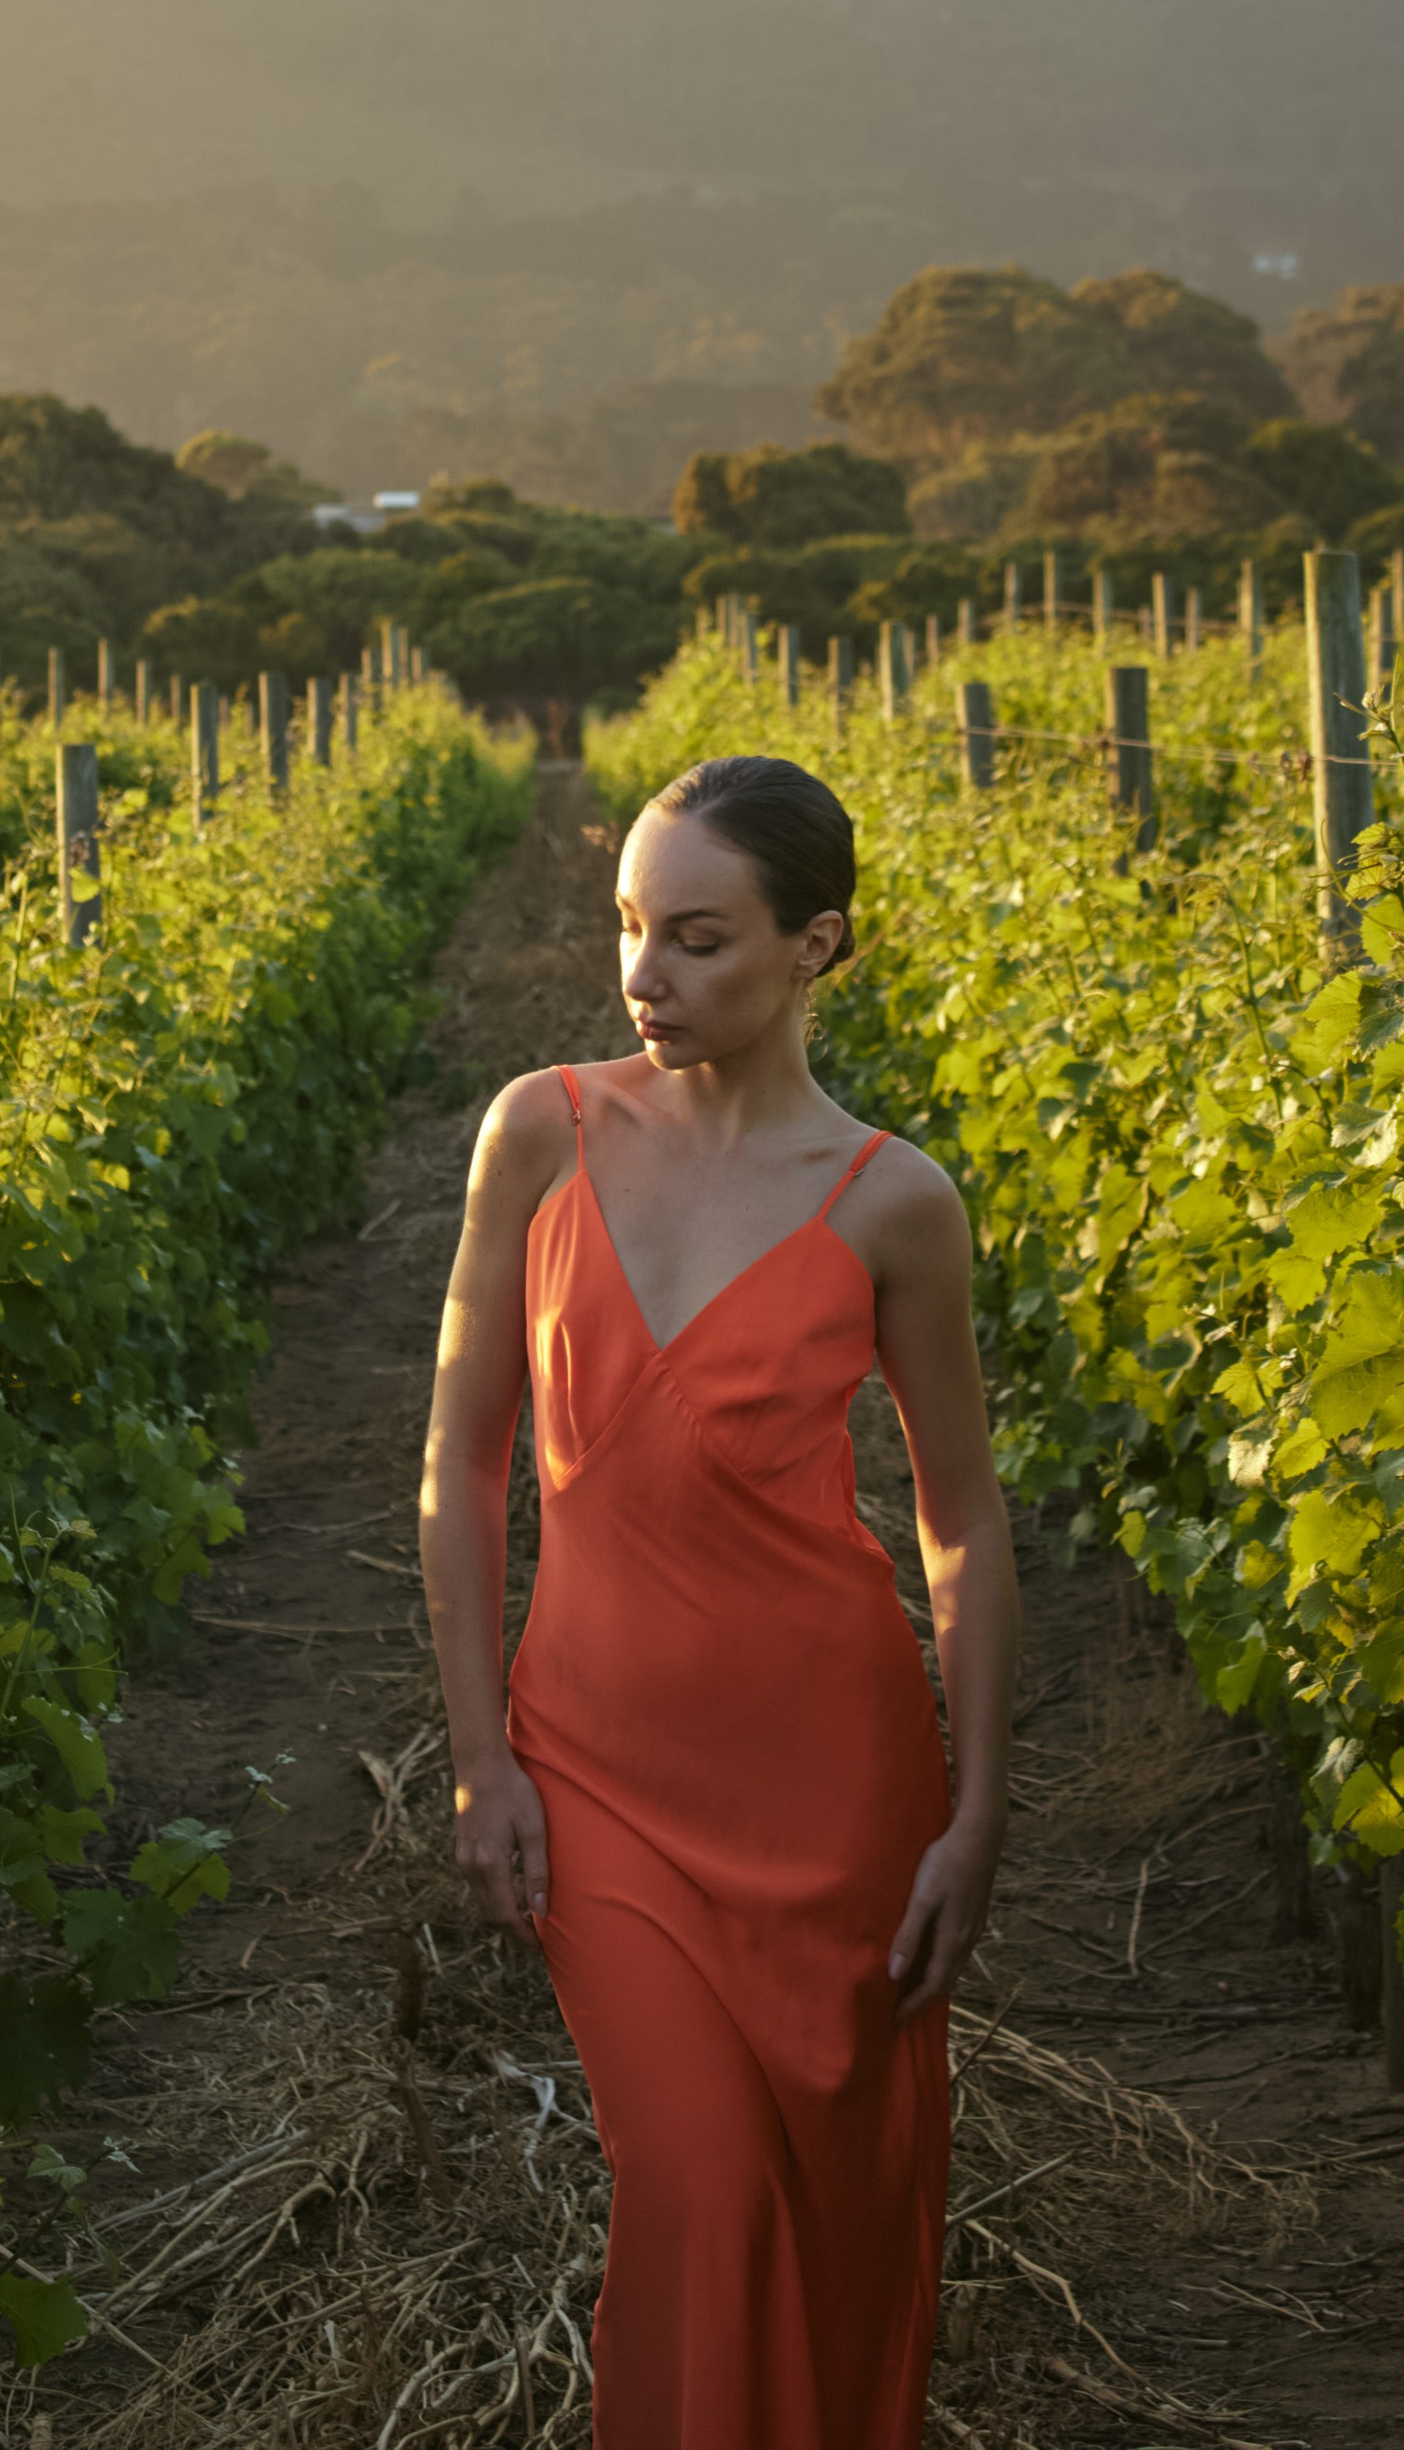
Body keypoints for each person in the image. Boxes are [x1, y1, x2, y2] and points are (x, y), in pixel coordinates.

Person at [419, 751, 1017, 2449]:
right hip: (597, 1768)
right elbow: (460, 1467)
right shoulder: (539, 1131)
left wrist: (975, 1815)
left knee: (837, 2202)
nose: (642, 976)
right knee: (699, 2180)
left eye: (694, 938)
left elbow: (962, 1523)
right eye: (625, 928)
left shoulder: (894, 1200)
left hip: (834, 1789)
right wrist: (482, 1756)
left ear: (817, 946)